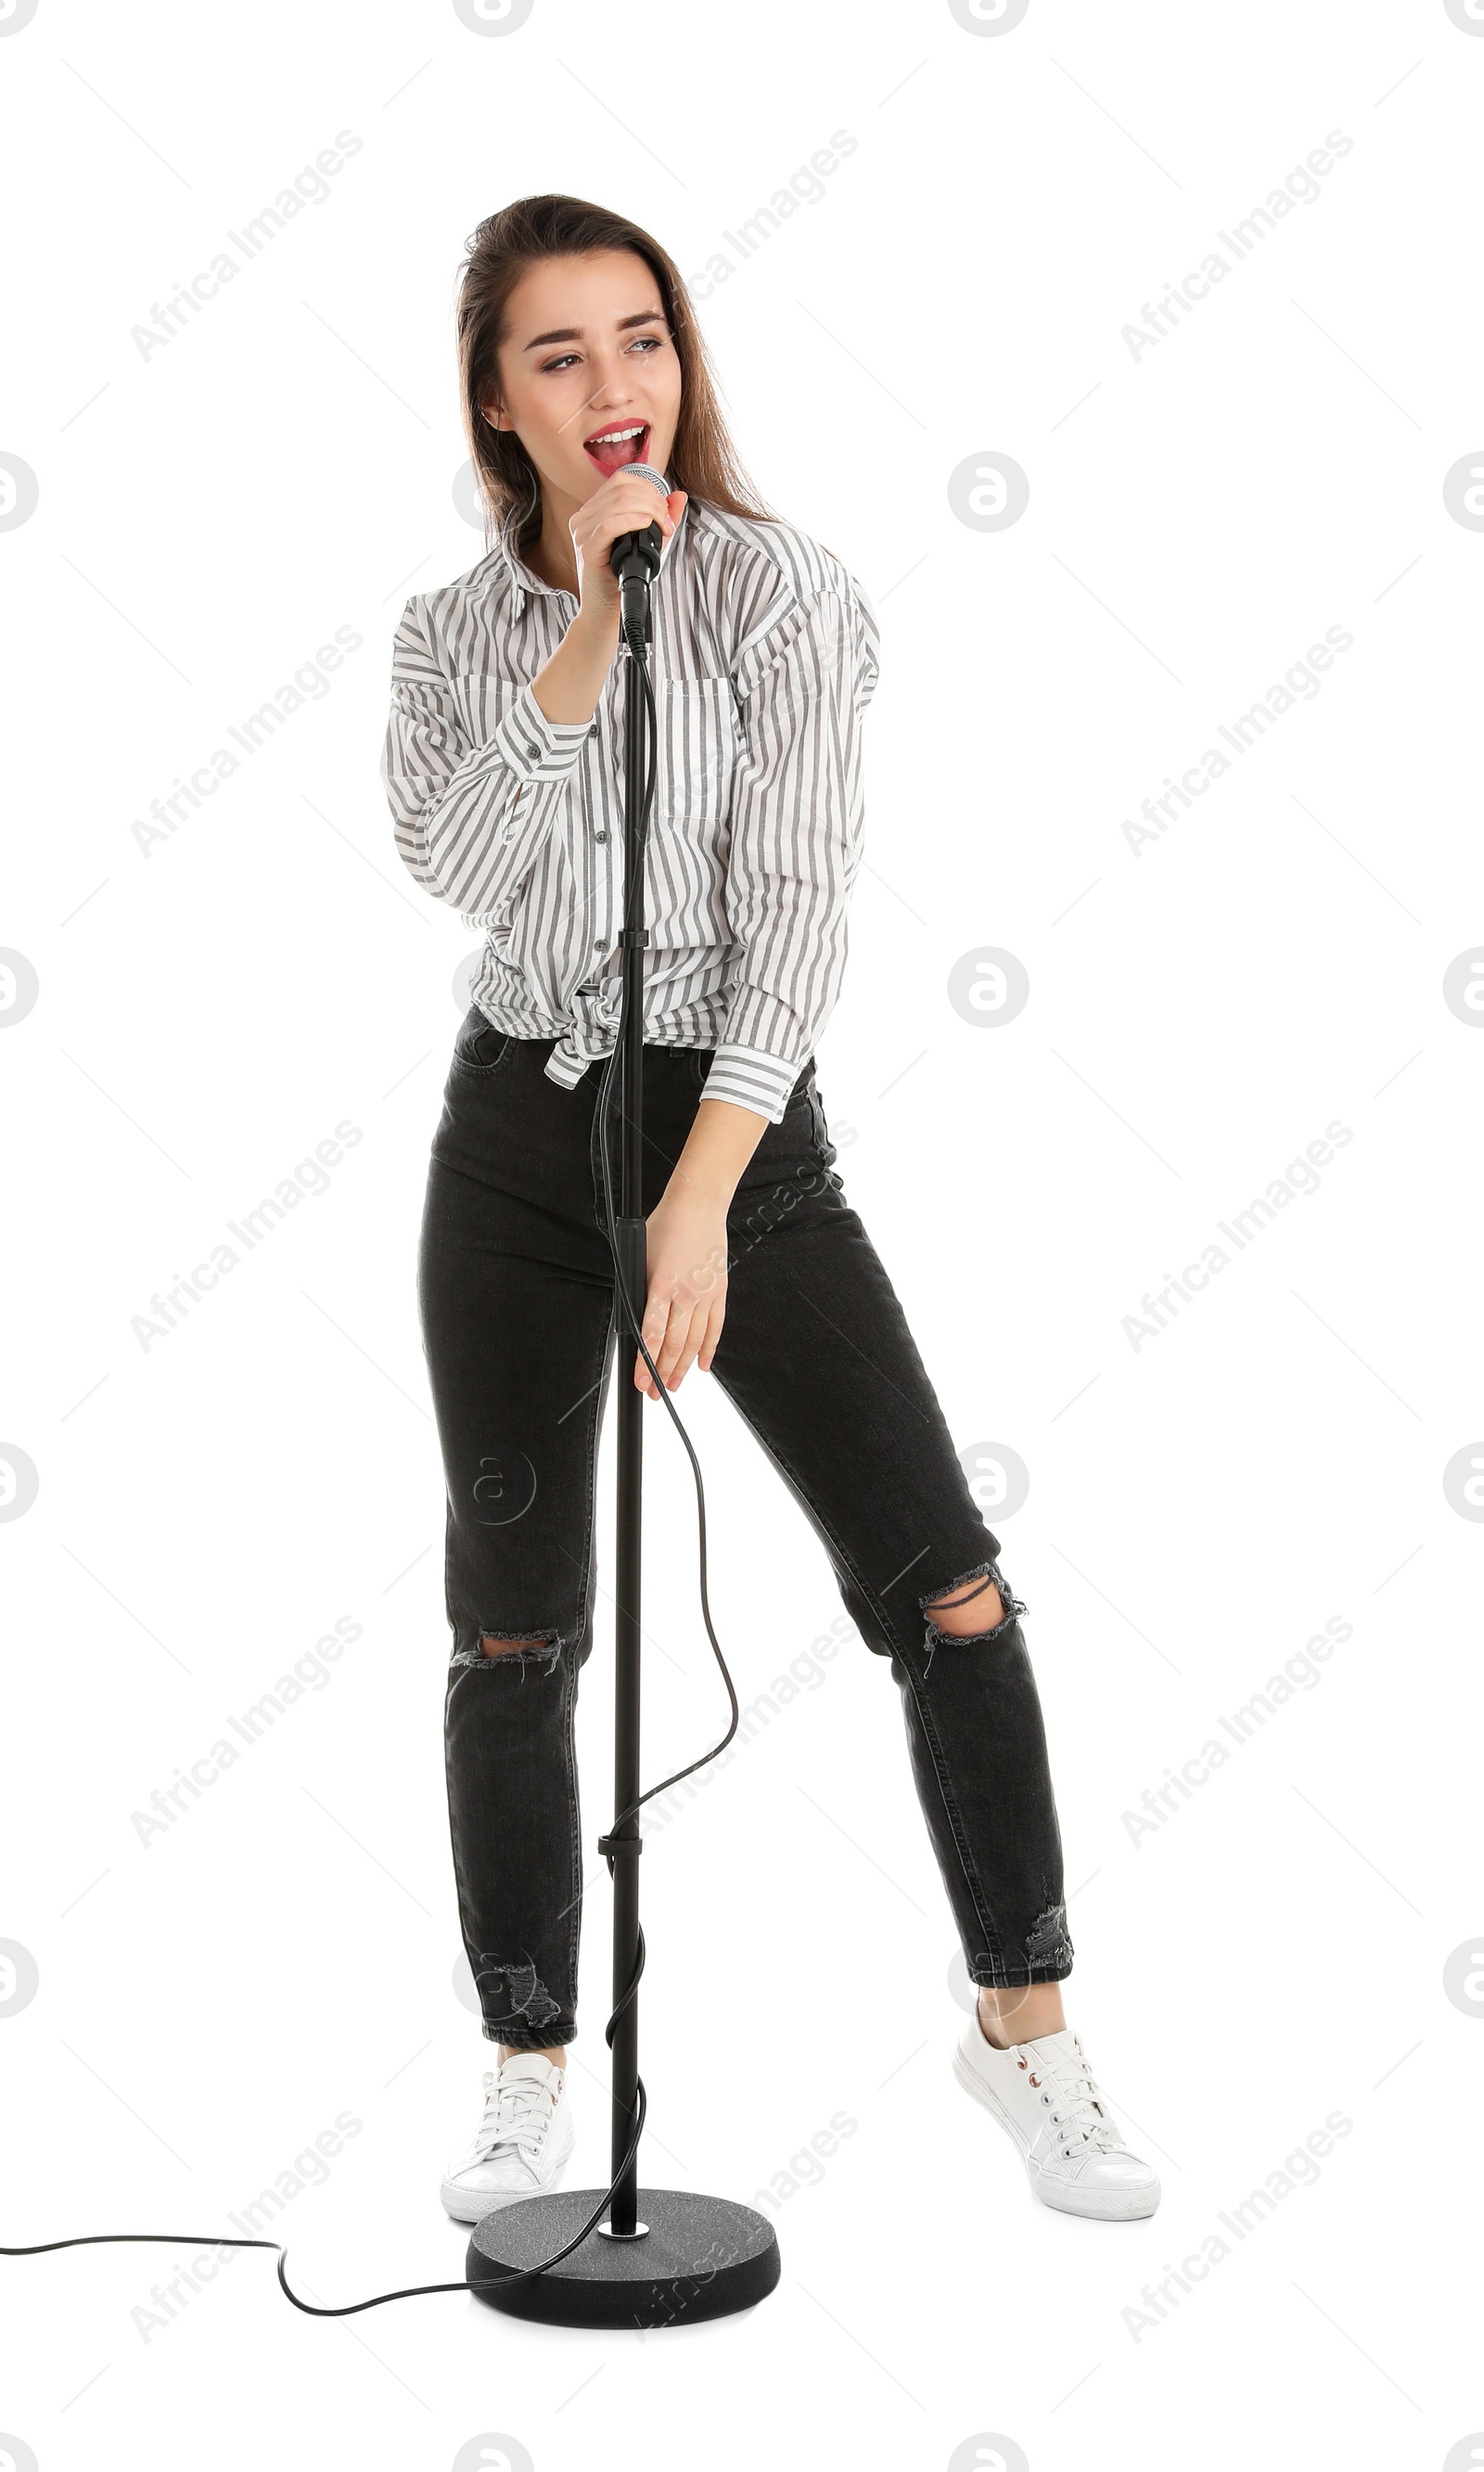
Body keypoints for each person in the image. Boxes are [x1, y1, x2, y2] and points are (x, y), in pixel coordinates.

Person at [380, 193, 1160, 2230]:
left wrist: (705, 1206)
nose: (611, 386)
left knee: (941, 1582)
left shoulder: (790, 600)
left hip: (732, 1126)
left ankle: (1023, 2025)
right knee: (510, 1629)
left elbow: (798, 922)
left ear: (680, 359)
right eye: (558, 355)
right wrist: (587, 628)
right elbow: (458, 856)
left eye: (637, 338)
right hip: (512, 1146)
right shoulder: (449, 637)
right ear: (498, 399)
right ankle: (529, 2058)